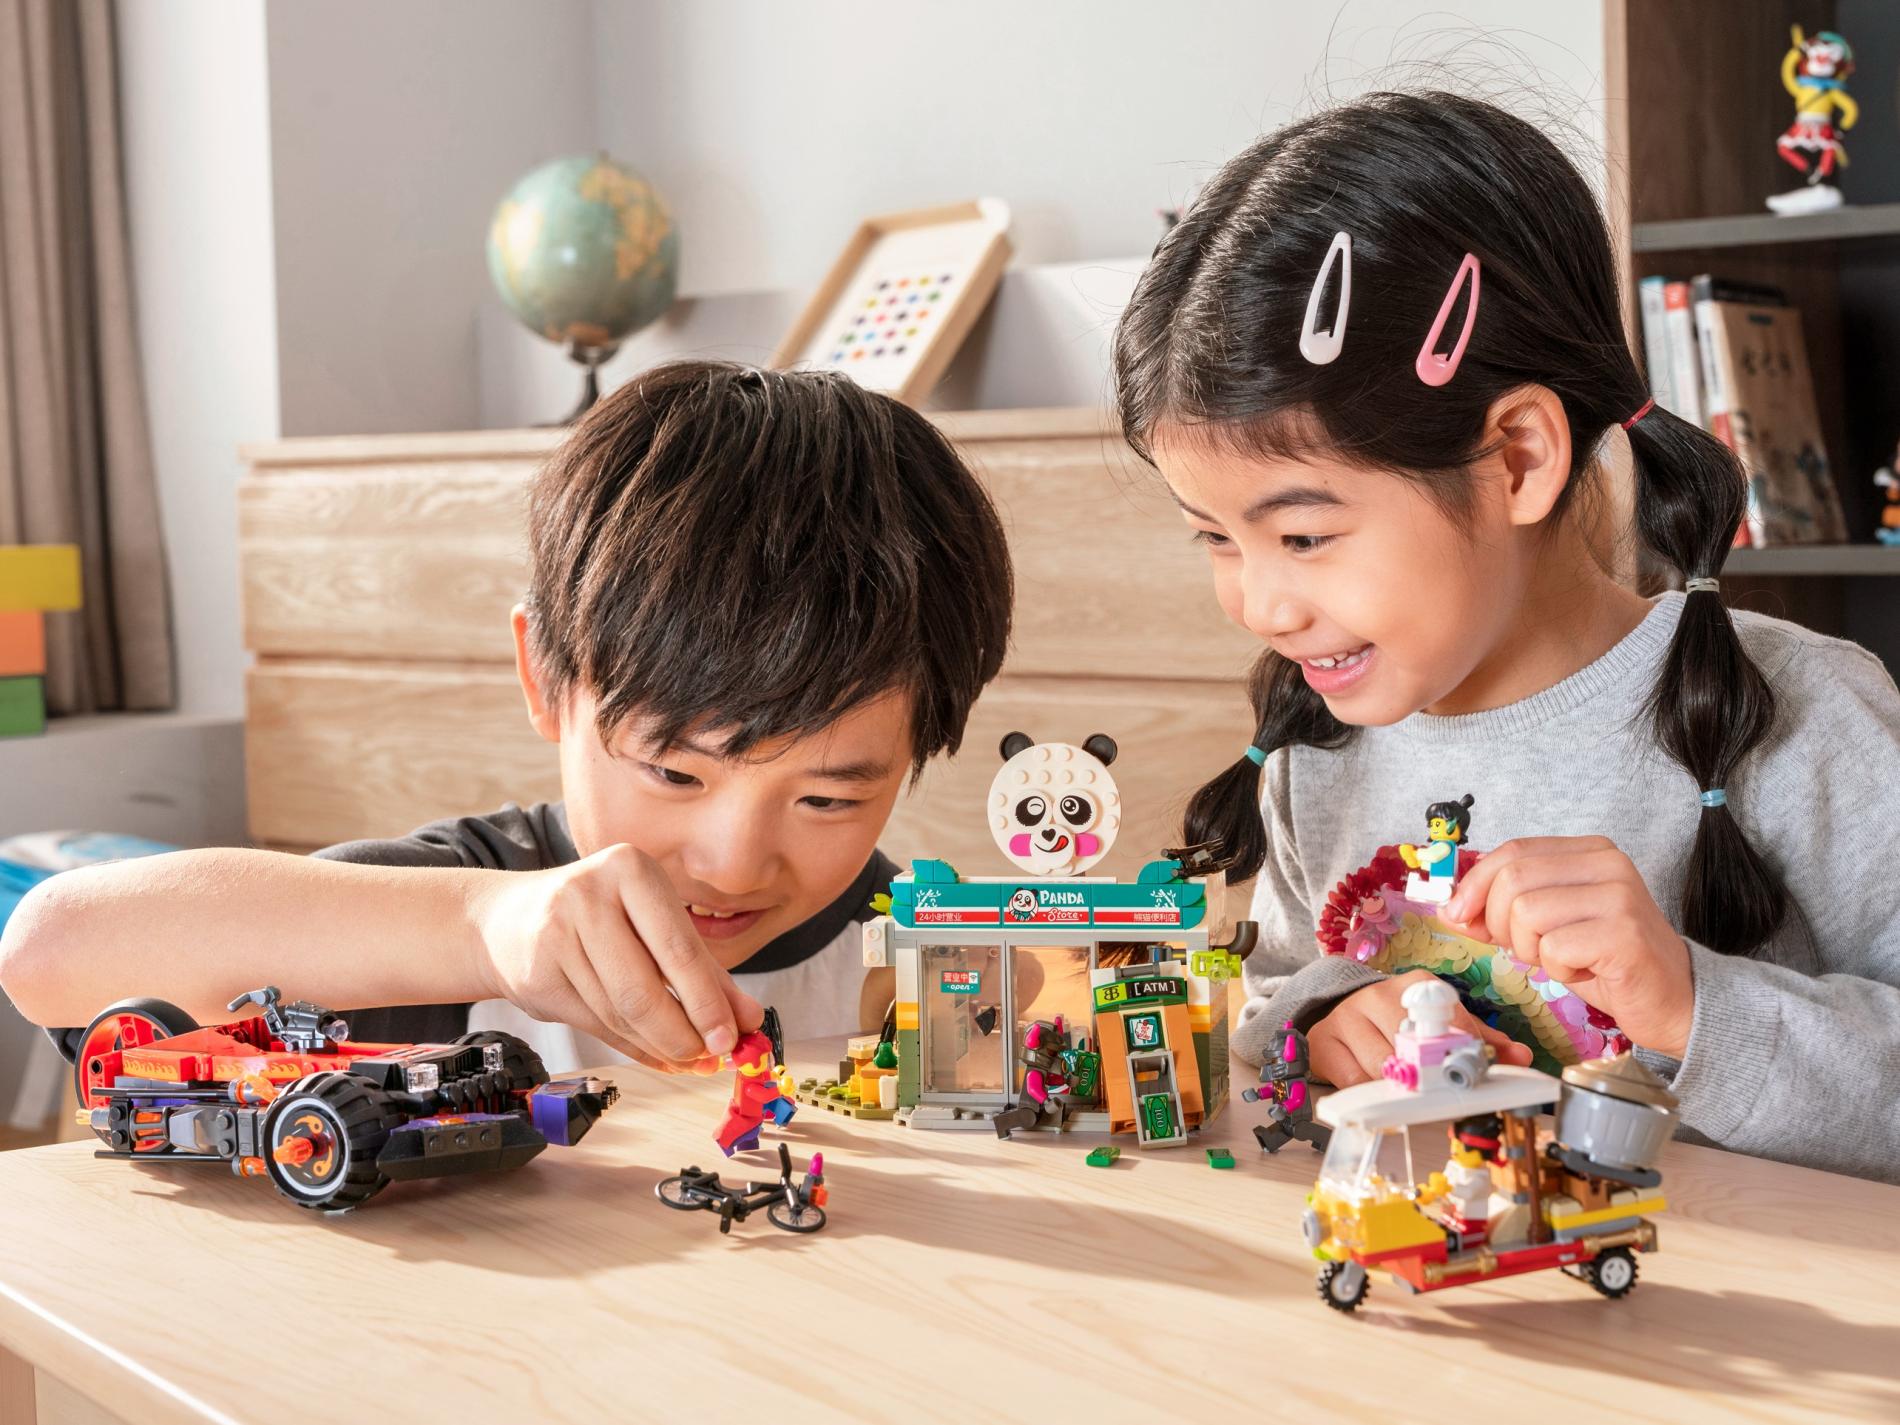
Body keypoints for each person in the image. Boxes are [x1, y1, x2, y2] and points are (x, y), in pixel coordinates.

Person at [1110, 91, 1900, 1182]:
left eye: (1302, 535)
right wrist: (1328, 1025)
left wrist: (1689, 1001)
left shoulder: (1803, 714)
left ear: (1518, 457)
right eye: (1215, 537)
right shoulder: (1316, 742)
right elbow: (1275, 1002)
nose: (1260, 605)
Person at [1, 360, 1014, 1076]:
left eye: (828, 798)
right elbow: (48, 949)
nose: (734, 864)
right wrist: (482, 928)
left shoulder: (919, 950)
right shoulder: (450, 920)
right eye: (675, 773)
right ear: (545, 678)